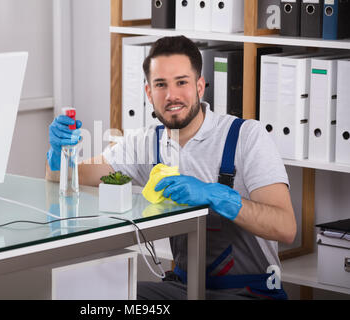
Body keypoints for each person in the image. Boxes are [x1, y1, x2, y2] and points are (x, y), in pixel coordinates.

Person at [46, 36, 297, 300]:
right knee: (94, 297)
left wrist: (216, 195)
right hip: (185, 290)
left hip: (251, 292)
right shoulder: (146, 143)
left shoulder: (246, 136)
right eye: (161, 85)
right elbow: (67, 176)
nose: (171, 95)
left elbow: (285, 227)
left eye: (181, 82)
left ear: (200, 86)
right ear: (148, 93)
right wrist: (58, 152)